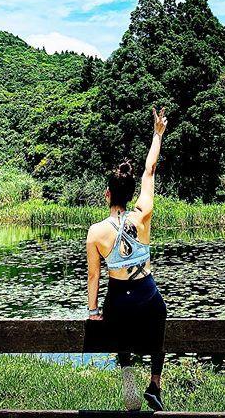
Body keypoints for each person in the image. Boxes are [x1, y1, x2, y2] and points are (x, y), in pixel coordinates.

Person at [86, 106, 168, 411]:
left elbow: (94, 276)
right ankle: (155, 385)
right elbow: (150, 169)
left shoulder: (95, 233)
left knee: (120, 334)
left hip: (118, 298)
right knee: (159, 320)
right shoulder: (142, 214)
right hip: (146, 294)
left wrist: (94, 310)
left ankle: (130, 388)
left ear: (107, 194)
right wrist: (157, 133)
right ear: (131, 192)